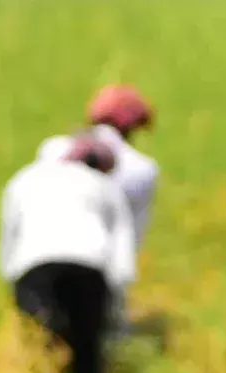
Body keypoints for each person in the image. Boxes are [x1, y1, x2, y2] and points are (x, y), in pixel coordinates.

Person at [0, 130, 138, 373]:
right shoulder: (102, 184)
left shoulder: (24, 179)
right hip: (90, 263)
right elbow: (122, 245)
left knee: (42, 337)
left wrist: (10, 280)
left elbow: (9, 234)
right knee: (87, 342)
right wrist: (118, 301)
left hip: (33, 263)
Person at [44, 84, 159, 253]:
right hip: (100, 262)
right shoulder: (143, 169)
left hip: (46, 254)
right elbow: (132, 237)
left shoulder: (52, 149)